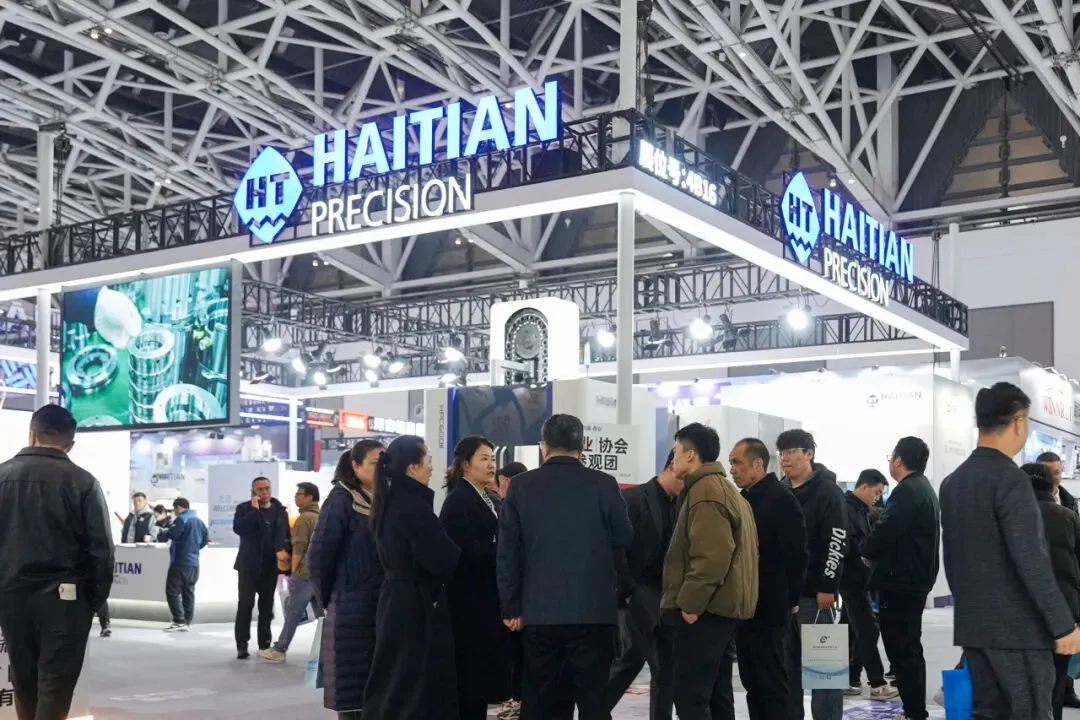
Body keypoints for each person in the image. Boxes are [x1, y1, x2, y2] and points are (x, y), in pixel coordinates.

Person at [941, 382, 1080, 719]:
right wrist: (1062, 624)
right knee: (1029, 712)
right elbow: (1031, 559)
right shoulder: (1010, 480)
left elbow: (952, 560)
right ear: (1018, 422)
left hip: (975, 627)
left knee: (988, 713)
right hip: (1019, 632)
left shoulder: (953, 482)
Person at [497, 413, 633, 720]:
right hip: (594, 613)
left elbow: (507, 553)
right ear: (582, 446)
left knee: (542, 702)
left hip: (540, 614)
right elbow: (624, 537)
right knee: (593, 703)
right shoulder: (605, 484)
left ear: (544, 446)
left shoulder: (520, 486)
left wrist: (511, 607)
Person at [0, 405, 113, 720]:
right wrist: (93, 601)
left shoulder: (2, 476)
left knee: (23, 679)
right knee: (56, 683)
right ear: (70, 444)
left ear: (31, 434)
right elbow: (102, 550)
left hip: (11, 595)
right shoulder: (84, 482)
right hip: (66, 599)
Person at [660, 423, 757, 720]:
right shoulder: (721, 488)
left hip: (706, 612)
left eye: (676, 451)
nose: (673, 458)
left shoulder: (706, 491)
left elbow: (711, 557)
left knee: (690, 697)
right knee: (716, 696)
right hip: (720, 610)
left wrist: (690, 604)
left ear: (690, 454)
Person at [363, 435, 461, 720]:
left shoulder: (389, 502)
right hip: (416, 604)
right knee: (416, 683)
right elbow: (441, 558)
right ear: (412, 467)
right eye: (428, 459)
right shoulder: (414, 508)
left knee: (394, 678)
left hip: (395, 600)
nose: (432, 466)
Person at [728, 437, 808, 720]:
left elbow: (797, 556)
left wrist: (791, 600)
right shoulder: (745, 499)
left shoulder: (780, 500)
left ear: (758, 464)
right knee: (753, 683)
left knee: (773, 683)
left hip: (771, 609)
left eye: (737, 462)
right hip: (746, 608)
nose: (732, 469)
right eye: (731, 463)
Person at [862, 437, 939, 720]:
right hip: (915, 580)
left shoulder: (907, 491)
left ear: (898, 460)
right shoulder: (924, 488)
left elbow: (886, 530)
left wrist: (866, 550)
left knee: (901, 651)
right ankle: (914, 710)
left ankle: (914, 712)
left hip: (900, 582)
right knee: (910, 648)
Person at [309, 442, 385, 718]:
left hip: (377, 606)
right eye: (375, 463)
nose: (382, 470)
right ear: (355, 465)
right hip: (350, 607)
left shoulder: (379, 499)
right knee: (353, 694)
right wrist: (330, 598)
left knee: (375, 692)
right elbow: (320, 555)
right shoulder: (341, 500)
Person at [441, 436, 513, 720]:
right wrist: (501, 552)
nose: (491, 465)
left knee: (479, 684)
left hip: (483, 602)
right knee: (470, 684)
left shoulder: (483, 498)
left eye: (492, 458)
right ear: (465, 464)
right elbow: (463, 550)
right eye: (484, 458)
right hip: (469, 605)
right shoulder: (459, 500)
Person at [607, 450, 682, 720]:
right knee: (630, 660)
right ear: (673, 466)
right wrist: (628, 591)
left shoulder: (683, 504)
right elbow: (617, 549)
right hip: (638, 594)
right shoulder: (634, 499)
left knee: (666, 668)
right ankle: (595, 712)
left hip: (670, 597)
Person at [776, 428, 846, 720]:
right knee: (786, 670)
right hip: (783, 597)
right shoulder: (780, 490)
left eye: (792, 452)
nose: (786, 459)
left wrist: (828, 585)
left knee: (825, 673)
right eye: (782, 453)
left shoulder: (828, 492)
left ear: (809, 454)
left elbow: (837, 540)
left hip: (816, 597)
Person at [1023, 462, 1080, 720]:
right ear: (1050, 485)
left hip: (1022, 612)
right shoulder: (1069, 517)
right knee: (1056, 681)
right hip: (1063, 611)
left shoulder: (1009, 516)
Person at [838, 469, 895, 701]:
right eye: (876, 492)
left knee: (851, 630)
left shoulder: (862, 510)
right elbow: (849, 544)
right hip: (850, 579)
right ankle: (877, 683)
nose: (877, 497)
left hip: (861, 579)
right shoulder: (845, 509)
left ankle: (849, 678)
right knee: (868, 629)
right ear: (863, 487)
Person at [260, 481, 324, 662]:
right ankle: (329, 647)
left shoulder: (304, 519)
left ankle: (280, 649)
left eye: (299, 494)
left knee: (293, 613)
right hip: (319, 573)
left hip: (304, 573)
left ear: (309, 497)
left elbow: (299, 548)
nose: (296, 497)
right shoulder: (321, 517)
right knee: (322, 616)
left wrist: (294, 570)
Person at [232, 475, 289, 659]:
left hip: (270, 567)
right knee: (245, 605)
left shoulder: (280, 510)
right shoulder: (244, 509)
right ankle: (242, 645)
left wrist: (286, 560)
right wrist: (254, 510)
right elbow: (239, 528)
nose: (264, 492)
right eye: (260, 489)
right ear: (253, 491)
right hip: (248, 566)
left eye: (267, 488)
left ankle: (264, 644)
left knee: (266, 607)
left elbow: (285, 536)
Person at [1040, 451, 1080, 710]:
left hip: (1065, 589)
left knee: (1067, 649)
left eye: (1056, 472)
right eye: (1048, 473)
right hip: (1047, 587)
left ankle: (1067, 689)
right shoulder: (1024, 506)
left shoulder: (1067, 500)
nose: (1053, 477)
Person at [495, 460, 529, 720]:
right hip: (529, 599)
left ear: (506, 481)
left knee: (518, 655)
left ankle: (518, 700)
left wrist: (511, 606)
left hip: (518, 599)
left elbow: (508, 558)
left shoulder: (510, 507)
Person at [158, 497, 209, 631]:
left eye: (175, 509)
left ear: (179, 507)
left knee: (172, 591)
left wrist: (163, 532)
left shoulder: (181, 520)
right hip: (194, 562)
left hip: (180, 561)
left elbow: (174, 535)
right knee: (188, 592)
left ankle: (179, 620)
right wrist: (194, 549)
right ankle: (187, 620)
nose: (174, 512)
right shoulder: (199, 521)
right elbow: (205, 539)